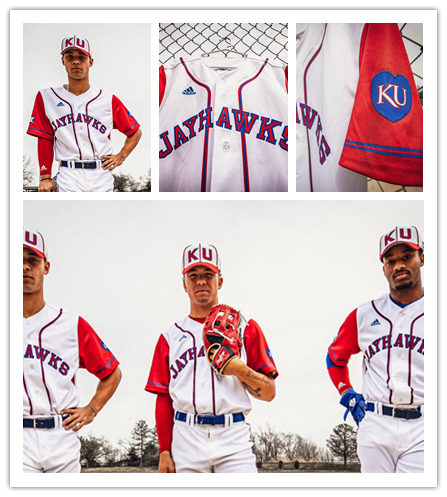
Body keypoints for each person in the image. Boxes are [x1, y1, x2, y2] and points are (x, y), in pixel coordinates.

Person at [145, 243, 278, 472]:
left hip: (233, 437)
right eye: (193, 275)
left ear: (220, 281)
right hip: (186, 437)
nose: (201, 281)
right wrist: (164, 451)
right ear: (184, 284)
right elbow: (164, 398)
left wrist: (238, 369)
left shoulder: (245, 329)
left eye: (208, 274)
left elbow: (269, 393)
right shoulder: (170, 337)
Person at [23, 228, 122, 472]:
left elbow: (112, 372)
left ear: (46, 267)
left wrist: (92, 409)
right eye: (17, 261)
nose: (25, 267)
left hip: (61, 436)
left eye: (33, 261)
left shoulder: (70, 324)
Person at [327, 225, 424, 472]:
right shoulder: (364, 315)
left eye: (406, 257)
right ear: (384, 269)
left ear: (421, 258)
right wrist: (346, 393)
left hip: (424, 424)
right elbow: (334, 359)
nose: (398, 266)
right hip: (376, 422)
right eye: (390, 261)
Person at [27, 35, 142, 192]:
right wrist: (45, 177)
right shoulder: (47, 97)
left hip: (101, 173)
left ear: (90, 62)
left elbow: (135, 132)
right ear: (63, 61)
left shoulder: (107, 99)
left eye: (81, 57)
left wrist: (121, 156)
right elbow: (45, 137)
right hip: (69, 174)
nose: (76, 61)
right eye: (70, 57)